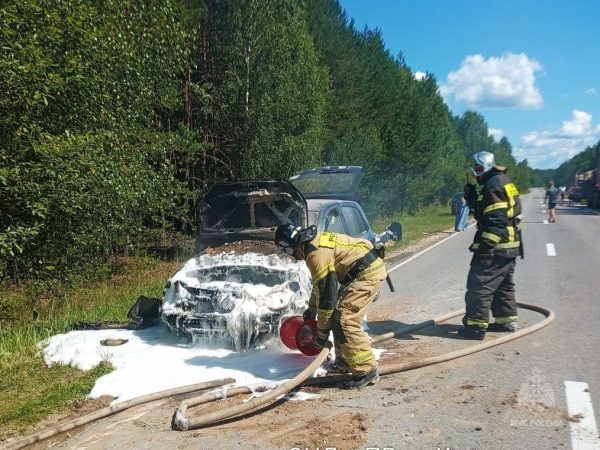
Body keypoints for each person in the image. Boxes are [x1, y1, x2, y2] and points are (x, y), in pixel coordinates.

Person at [274, 223, 387, 389]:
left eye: (285, 251)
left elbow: (327, 296)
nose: (290, 256)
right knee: (338, 317)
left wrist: (321, 334)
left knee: (345, 319)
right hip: (359, 272)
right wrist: (312, 309)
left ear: (289, 247)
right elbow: (320, 285)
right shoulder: (311, 244)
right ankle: (346, 362)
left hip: (366, 274)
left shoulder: (314, 254)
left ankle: (366, 370)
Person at [461, 151, 522, 340]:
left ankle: (476, 327)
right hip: (509, 246)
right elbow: (487, 212)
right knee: (503, 284)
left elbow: (496, 221)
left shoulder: (493, 185)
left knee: (480, 285)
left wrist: (486, 248)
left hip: (497, 246)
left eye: (478, 169)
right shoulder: (501, 180)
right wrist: (473, 200)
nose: (476, 174)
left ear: (485, 167)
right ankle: (506, 320)